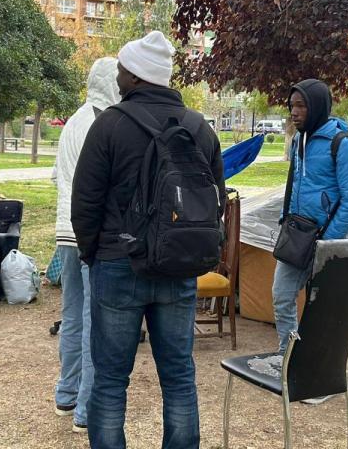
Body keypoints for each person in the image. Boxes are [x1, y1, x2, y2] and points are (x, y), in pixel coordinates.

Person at [72, 31, 224, 449]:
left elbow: (84, 203)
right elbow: (216, 202)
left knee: (110, 382)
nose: (117, 76)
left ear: (135, 77)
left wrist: (93, 256)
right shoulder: (199, 128)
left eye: (121, 69)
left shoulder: (110, 125)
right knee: (178, 377)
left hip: (118, 263)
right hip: (178, 268)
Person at [272, 79, 348, 403]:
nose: (295, 112)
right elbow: (293, 186)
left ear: (318, 106)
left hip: (328, 244)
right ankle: (288, 362)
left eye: (301, 106)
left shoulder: (342, 144)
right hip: (297, 238)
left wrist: (327, 242)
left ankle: (321, 374)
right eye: (292, 106)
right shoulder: (299, 140)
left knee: (323, 312)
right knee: (282, 296)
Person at [52, 57, 120, 434]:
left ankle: (66, 393)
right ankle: (86, 409)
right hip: (90, 235)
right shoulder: (103, 123)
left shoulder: (74, 121)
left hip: (65, 231)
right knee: (97, 322)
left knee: (73, 316)